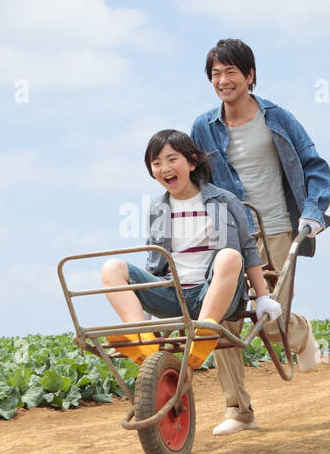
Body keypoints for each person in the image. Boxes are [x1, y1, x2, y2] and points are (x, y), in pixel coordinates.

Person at [190, 38, 330, 437]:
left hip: (276, 228)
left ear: (249, 75)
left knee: (270, 319)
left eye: (231, 72)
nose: (223, 80)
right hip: (229, 237)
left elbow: (314, 165)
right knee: (220, 321)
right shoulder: (203, 128)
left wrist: (313, 212)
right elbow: (195, 182)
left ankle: (298, 331)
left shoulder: (278, 119)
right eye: (216, 74)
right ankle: (238, 410)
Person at [99, 129, 284, 371]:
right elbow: (154, 259)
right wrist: (144, 310)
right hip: (172, 294)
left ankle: (204, 332)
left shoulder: (223, 201)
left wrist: (262, 297)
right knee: (111, 267)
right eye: (156, 163)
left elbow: (249, 250)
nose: (165, 168)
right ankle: (142, 337)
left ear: (192, 162)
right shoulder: (158, 208)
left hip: (213, 294)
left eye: (172, 159)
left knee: (229, 255)